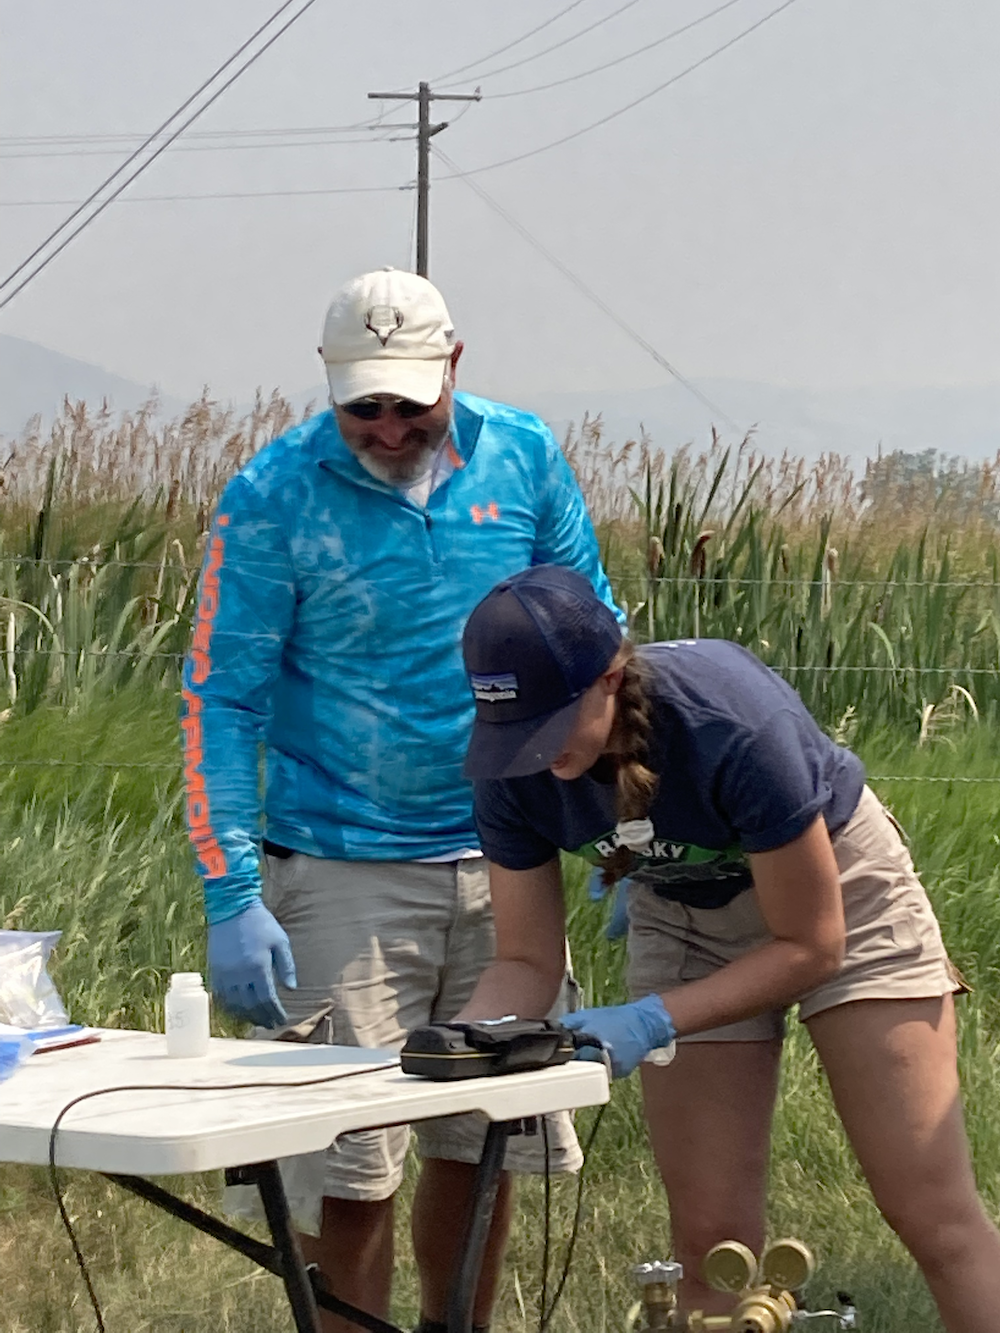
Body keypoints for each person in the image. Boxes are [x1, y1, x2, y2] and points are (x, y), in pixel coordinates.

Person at [180, 269, 621, 1333]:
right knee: (350, 1166)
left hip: (506, 859)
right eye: (361, 404)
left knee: (483, 1141)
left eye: (407, 403)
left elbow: (597, 647)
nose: (385, 426)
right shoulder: (270, 495)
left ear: (454, 368)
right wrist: (231, 889)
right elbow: (219, 700)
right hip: (340, 868)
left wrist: (625, 829)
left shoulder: (524, 460)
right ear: (329, 386)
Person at [455, 563, 1000, 1332]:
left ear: (610, 678)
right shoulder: (510, 769)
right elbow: (526, 962)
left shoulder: (730, 722)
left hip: (841, 890)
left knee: (934, 1215)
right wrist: (465, 1043)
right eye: (512, 733)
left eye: (548, 726)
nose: (536, 755)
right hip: (683, 914)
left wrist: (652, 1018)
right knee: (711, 1243)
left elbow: (812, 945)